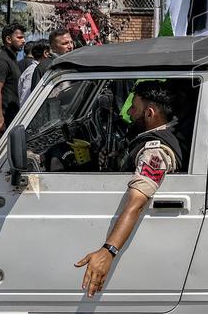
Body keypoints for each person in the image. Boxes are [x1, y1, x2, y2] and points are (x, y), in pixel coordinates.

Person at [75, 81, 187, 297]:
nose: (128, 113)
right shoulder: (155, 136)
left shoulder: (155, 152)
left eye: (134, 108)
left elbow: (137, 201)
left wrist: (108, 251)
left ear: (150, 113)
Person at [0, 23, 25, 138]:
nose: (23, 41)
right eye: (19, 37)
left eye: (23, 37)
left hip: (13, 116)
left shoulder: (12, 59)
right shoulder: (2, 61)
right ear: (8, 39)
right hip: (5, 120)